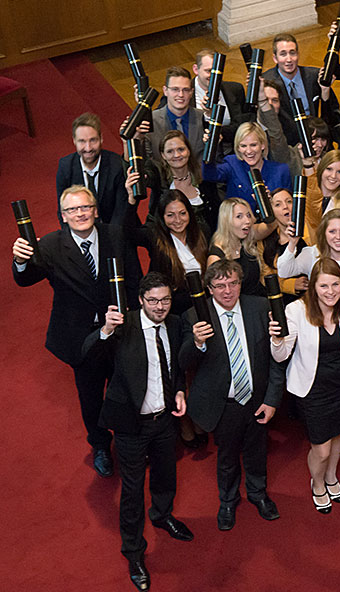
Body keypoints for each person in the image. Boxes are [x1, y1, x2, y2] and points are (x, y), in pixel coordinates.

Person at [12, 185, 139, 477]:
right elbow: (26, 279)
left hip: (119, 330)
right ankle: (100, 446)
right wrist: (20, 261)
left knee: (127, 388)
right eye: (72, 210)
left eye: (85, 207)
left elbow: (133, 279)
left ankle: (129, 440)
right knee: (90, 397)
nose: (80, 214)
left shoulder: (115, 235)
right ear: (63, 216)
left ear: (95, 211)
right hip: (80, 339)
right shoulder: (51, 246)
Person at [81, 272, 192, 591]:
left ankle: (162, 514)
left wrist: (180, 391)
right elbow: (86, 357)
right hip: (131, 424)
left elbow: (177, 366)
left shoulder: (173, 324)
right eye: (153, 301)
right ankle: (133, 552)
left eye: (166, 300)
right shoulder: (123, 325)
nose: (160, 307)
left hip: (165, 418)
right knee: (131, 490)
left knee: (166, 474)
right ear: (141, 300)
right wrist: (104, 330)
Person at [179, 259, 283, 531]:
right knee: (226, 457)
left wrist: (272, 399)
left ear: (240, 283)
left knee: (257, 452)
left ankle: (258, 494)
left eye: (233, 283)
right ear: (209, 288)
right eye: (220, 285)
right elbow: (182, 362)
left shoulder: (260, 308)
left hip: (257, 400)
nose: (227, 291)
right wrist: (197, 342)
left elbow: (276, 359)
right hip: (224, 403)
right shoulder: (194, 316)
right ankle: (227, 500)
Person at [271, 258, 340, 514]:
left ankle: (331, 476)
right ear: (313, 288)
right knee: (321, 448)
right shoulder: (296, 310)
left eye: (335, 284)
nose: (330, 291)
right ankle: (317, 482)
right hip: (313, 389)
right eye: (323, 286)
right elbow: (281, 355)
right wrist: (276, 339)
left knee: (339, 435)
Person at [124, 186, 209, 316]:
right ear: (162, 216)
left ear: (189, 213)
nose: (178, 220)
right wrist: (131, 200)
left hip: (204, 306)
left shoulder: (202, 232)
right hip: (172, 312)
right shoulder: (155, 236)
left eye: (182, 213)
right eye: (170, 215)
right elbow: (129, 233)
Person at [202, 122, 292, 216]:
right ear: (238, 148)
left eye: (253, 145)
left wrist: (271, 202)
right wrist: (210, 148)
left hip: (270, 227)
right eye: (243, 146)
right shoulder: (233, 164)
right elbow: (209, 175)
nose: (249, 151)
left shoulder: (281, 171)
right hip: (235, 227)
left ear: (262, 145)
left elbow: (288, 207)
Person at [56, 113, 128, 225]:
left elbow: (120, 212)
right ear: (74, 141)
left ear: (101, 139)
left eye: (93, 140)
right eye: (82, 141)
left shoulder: (116, 165)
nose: (88, 148)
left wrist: (111, 240)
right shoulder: (65, 167)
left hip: (115, 229)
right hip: (81, 230)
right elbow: (63, 211)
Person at [279, 208, 340, 294]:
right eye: (332, 231)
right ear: (324, 234)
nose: (338, 237)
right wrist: (292, 243)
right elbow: (284, 271)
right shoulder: (312, 254)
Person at [143, 130, 221, 230]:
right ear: (163, 155)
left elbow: (216, 214)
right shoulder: (159, 179)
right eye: (170, 151)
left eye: (181, 149)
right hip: (167, 243)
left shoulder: (204, 178)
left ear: (188, 150)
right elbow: (139, 177)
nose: (176, 155)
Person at [262, 33, 327, 144]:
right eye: (283, 54)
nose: (289, 59)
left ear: (298, 54)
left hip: (314, 138)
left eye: (292, 53)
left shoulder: (313, 76)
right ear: (275, 58)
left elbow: (330, 108)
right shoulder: (267, 82)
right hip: (285, 141)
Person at [208, 198, 277, 296]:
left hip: (262, 301)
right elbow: (220, 296)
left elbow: (272, 224)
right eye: (239, 216)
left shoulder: (247, 238)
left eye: (248, 215)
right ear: (226, 221)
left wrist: (265, 203)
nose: (247, 221)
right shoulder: (216, 257)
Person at [192, 49, 252, 155]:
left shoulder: (235, 89)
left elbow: (242, 126)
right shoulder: (184, 94)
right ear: (196, 69)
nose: (214, 76)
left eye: (218, 71)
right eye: (209, 71)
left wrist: (221, 132)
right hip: (202, 154)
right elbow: (194, 134)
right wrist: (207, 115)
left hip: (235, 150)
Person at [143, 67, 205, 162]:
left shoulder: (204, 118)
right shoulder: (151, 121)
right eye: (175, 89)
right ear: (165, 91)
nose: (180, 94)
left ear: (191, 92)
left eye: (185, 90)